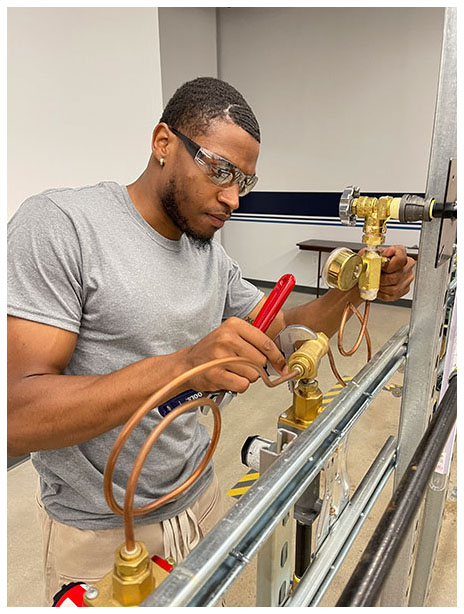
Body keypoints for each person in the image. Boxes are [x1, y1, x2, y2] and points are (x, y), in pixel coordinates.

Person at [7, 77, 415, 605]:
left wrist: (356, 290)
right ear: (163, 143)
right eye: (219, 169)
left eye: (244, 181)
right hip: (100, 534)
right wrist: (185, 366)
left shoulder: (209, 257)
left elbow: (282, 331)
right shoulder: (62, 226)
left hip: (198, 503)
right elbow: (18, 415)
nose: (231, 198)